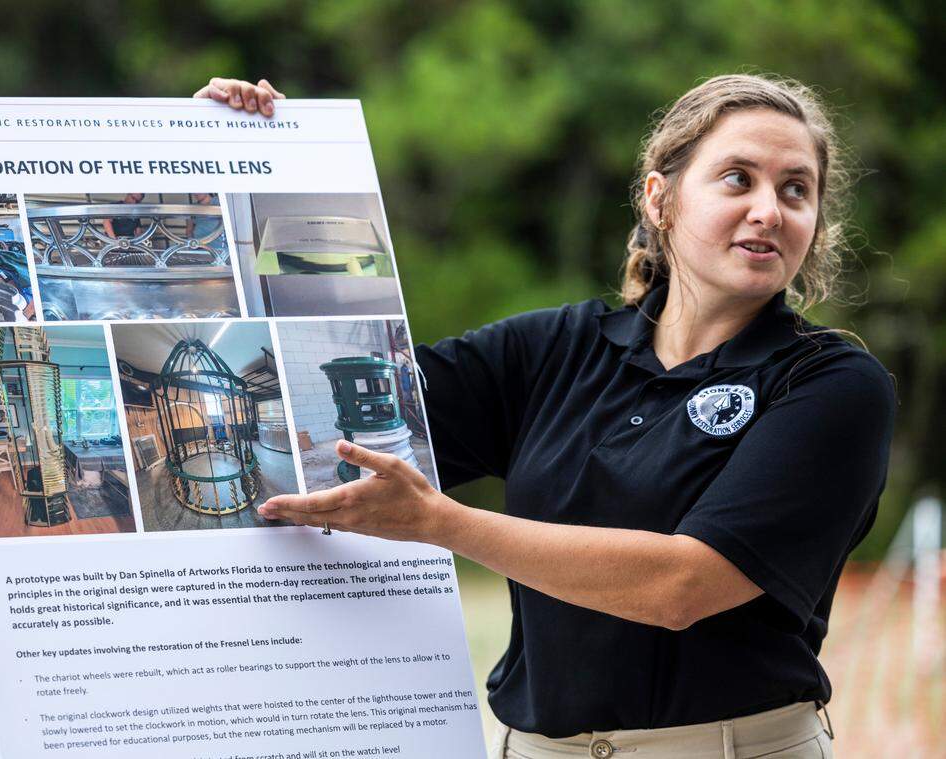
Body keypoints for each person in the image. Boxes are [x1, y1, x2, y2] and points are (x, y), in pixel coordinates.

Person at [201, 75, 896, 758]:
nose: (769, 209)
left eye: (795, 189)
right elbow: (323, 400)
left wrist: (442, 523)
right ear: (661, 200)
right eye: (739, 179)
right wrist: (263, 167)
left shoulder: (833, 384)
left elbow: (683, 585)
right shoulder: (553, 348)